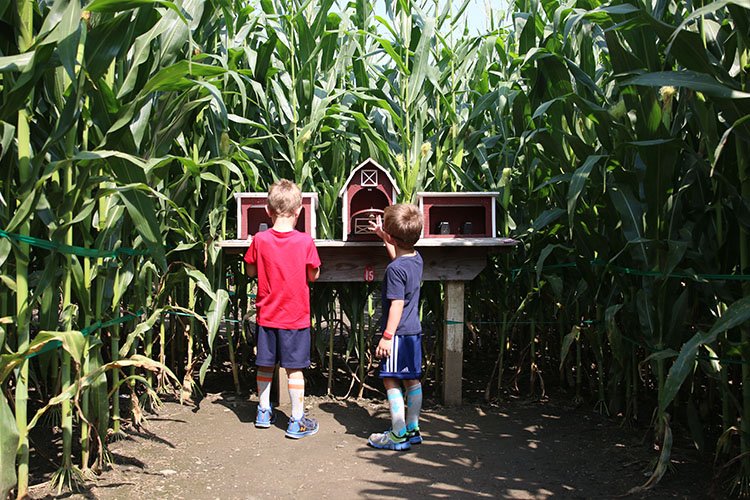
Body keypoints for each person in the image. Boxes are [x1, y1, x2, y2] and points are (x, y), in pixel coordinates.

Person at [244, 179, 321, 439]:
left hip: (267, 316)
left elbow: (250, 270)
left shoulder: (260, 240)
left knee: (264, 365)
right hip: (295, 318)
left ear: (268, 210)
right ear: (299, 211)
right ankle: (297, 420)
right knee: (294, 368)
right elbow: (313, 275)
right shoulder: (305, 241)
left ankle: (263, 411)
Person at [367, 204, 424, 451]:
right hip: (413, 332)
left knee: (390, 380)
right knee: (412, 380)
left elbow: (396, 305)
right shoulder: (415, 258)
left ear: (392, 236)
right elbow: (398, 257)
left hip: (398, 334)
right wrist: (384, 237)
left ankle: (397, 434)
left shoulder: (393, 271)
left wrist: (387, 336)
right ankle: (413, 428)